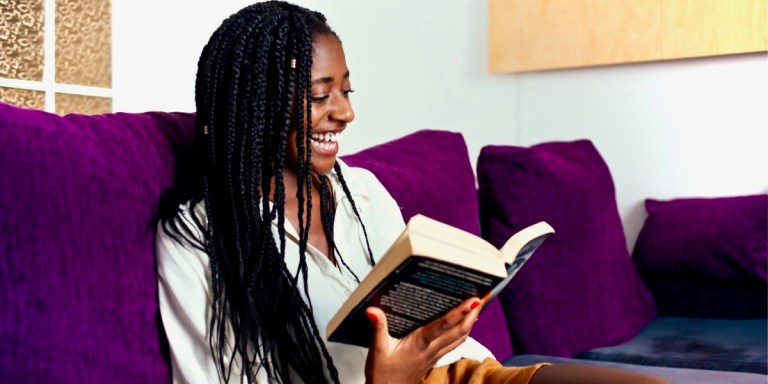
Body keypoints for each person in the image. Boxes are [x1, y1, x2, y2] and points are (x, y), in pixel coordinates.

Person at [156, 2, 670, 383]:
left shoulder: (360, 189)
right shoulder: (199, 236)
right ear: (253, 106)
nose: (346, 113)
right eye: (319, 96)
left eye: (346, 91)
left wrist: (449, 315)